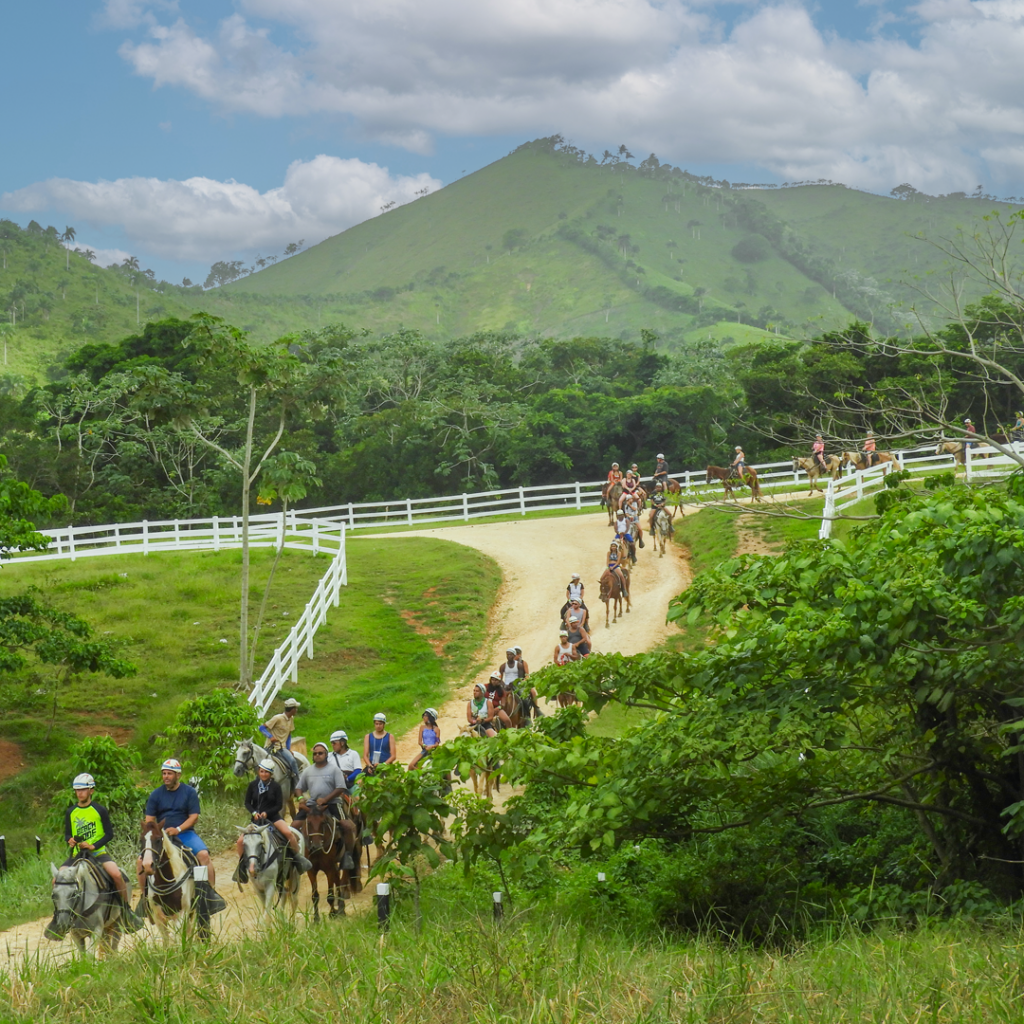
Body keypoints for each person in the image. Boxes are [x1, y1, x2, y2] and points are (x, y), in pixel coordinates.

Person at [61, 773, 144, 931]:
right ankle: (60, 916)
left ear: (91, 791)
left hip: (98, 854)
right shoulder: (70, 811)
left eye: (83, 790)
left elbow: (109, 834)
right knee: (56, 879)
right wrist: (69, 840)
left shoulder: (99, 810)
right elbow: (67, 834)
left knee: (116, 875)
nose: (79, 793)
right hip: (77, 855)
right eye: (77, 790)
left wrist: (93, 846)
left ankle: (126, 911)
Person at [137, 758, 220, 910]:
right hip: (161, 837)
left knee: (203, 855)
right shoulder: (156, 794)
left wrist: (178, 829)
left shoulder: (189, 792)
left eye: (169, 773)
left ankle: (209, 894)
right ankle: (145, 899)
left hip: (185, 833)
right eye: (164, 773)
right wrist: (158, 832)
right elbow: (149, 820)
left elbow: (194, 817)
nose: (166, 777)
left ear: (178, 775)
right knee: (140, 861)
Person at [235, 758, 312, 879]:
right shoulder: (253, 785)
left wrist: (267, 813)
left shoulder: (276, 786)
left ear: (270, 773)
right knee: (240, 841)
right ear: (258, 772)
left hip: (273, 818)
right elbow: (247, 803)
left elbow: (279, 805)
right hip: (256, 820)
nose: (263, 774)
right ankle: (242, 866)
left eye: (266, 772)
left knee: (289, 834)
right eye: (262, 771)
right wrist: (254, 812)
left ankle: (298, 860)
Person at [293, 743, 347, 821]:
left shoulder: (335, 769)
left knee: (344, 824)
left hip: (332, 803)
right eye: (315, 753)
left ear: (326, 754)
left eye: (320, 753)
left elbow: (340, 788)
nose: (317, 755)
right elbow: (299, 788)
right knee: (294, 825)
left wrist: (325, 799)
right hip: (312, 804)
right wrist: (301, 799)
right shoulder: (308, 771)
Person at [259, 697, 301, 784]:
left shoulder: (291, 719)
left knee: (293, 761)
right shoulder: (277, 718)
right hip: (271, 747)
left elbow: (289, 734)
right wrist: (270, 736)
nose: (296, 710)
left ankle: (297, 783)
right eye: (296, 708)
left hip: (282, 748)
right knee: (260, 765)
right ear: (292, 709)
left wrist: (288, 748)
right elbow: (262, 728)